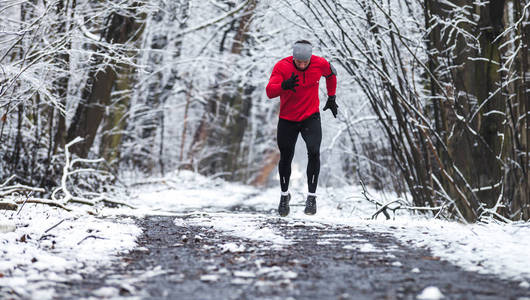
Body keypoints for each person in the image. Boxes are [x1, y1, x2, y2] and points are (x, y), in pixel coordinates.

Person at [266, 40, 338, 217]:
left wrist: (331, 97)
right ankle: (284, 196)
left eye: (305, 62)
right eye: (299, 62)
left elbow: (331, 74)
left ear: (310, 58)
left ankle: (311, 197)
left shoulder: (319, 63)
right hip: (287, 119)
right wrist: (284, 86)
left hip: (310, 117)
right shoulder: (282, 67)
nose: (302, 65)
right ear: (293, 58)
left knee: (314, 152)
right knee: (286, 156)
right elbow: (269, 91)